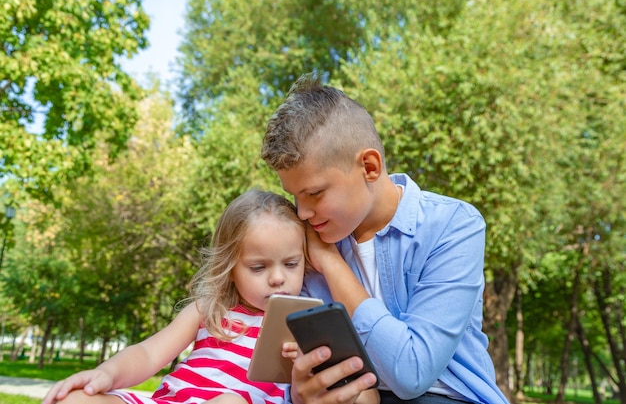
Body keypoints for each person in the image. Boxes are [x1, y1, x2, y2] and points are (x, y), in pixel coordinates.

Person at [261, 73, 510, 404]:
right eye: (294, 196)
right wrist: (301, 395)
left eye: (315, 193)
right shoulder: (306, 239)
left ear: (369, 166)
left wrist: (332, 264)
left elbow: (412, 373)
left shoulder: (452, 226)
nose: (303, 213)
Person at [42, 190, 314, 404]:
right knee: (73, 398)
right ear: (230, 268)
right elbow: (148, 354)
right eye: (258, 267)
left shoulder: (303, 323)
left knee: (231, 402)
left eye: (291, 264)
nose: (278, 278)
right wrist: (107, 374)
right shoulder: (210, 309)